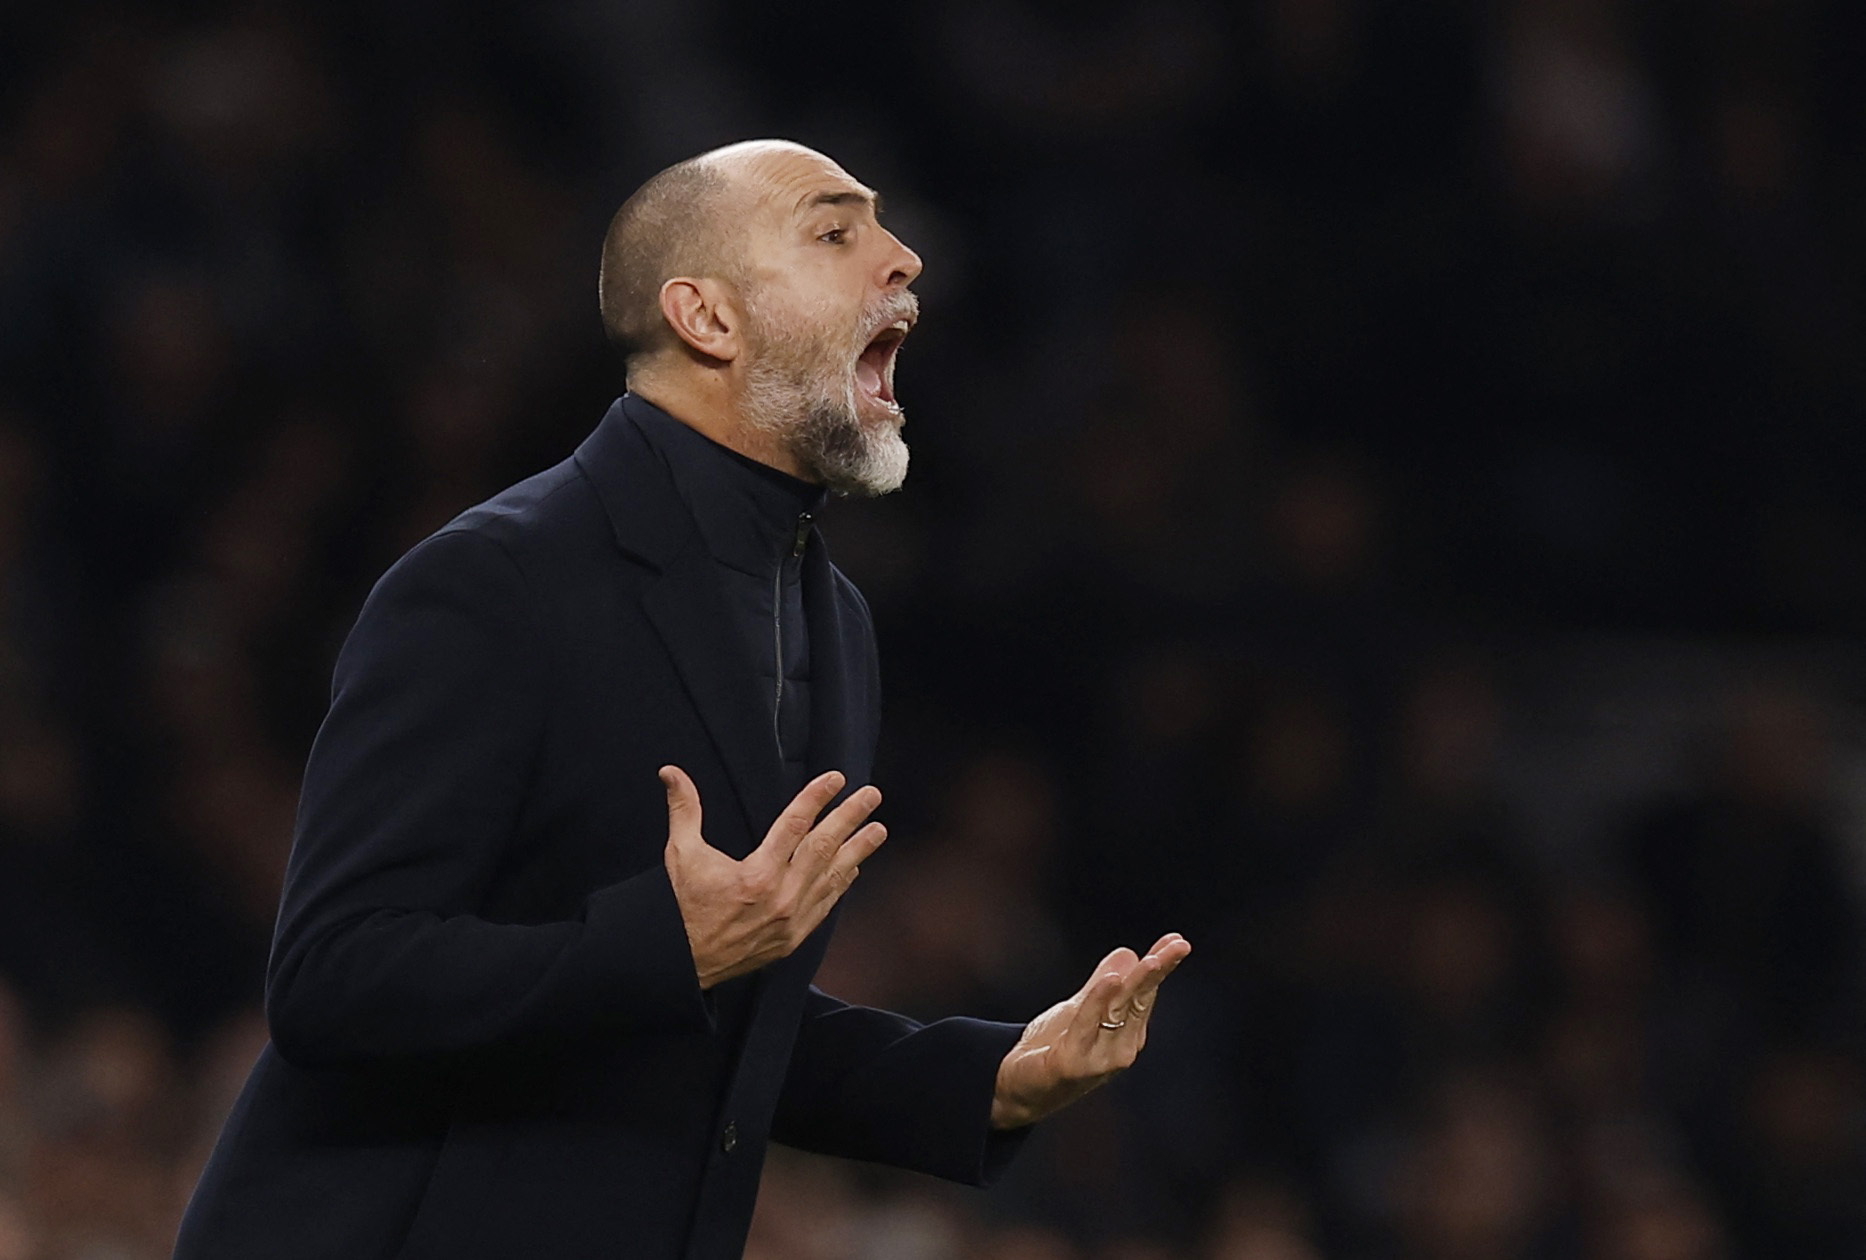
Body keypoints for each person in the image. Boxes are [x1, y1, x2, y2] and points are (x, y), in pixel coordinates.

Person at [173, 139, 1190, 1260]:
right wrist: (666, 946)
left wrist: (992, 1077)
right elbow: (332, 978)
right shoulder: (492, 582)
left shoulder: (832, 618)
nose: (903, 259)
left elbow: (709, 1030)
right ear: (707, 317)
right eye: (836, 231)